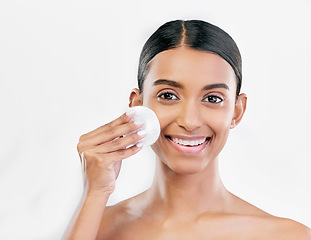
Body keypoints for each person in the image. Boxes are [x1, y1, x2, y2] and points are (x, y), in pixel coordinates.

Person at [62, 20, 311, 240]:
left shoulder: (286, 236)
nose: (190, 121)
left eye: (212, 99)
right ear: (137, 105)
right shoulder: (94, 227)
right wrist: (94, 193)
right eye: (168, 95)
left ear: (237, 111)